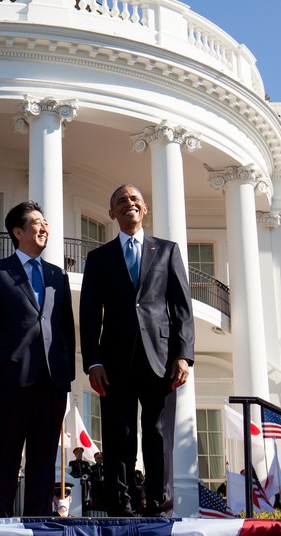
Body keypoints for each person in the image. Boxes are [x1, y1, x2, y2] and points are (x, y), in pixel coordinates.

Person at [80, 184, 195, 518]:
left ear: (144, 209)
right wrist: (93, 362)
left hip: (160, 360)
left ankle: (159, 503)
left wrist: (183, 355)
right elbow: (90, 314)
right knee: (120, 435)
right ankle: (121, 503)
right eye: (120, 201)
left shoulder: (167, 251)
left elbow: (181, 307)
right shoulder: (99, 258)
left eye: (134, 200)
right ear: (112, 213)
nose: (128, 204)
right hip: (114, 363)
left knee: (157, 434)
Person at [0, 200, 76, 517]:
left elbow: (64, 327)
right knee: (6, 451)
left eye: (46, 222)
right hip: (11, 376)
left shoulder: (56, 275)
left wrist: (67, 372)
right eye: (37, 222)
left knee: (44, 454)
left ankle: (39, 518)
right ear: (18, 232)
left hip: (52, 378)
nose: (44, 227)